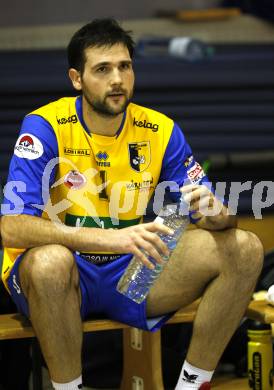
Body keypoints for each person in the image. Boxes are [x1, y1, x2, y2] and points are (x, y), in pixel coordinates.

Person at [0, 18, 263, 390]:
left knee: (246, 248)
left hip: (131, 277)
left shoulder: (161, 130)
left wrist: (218, 216)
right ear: (77, 78)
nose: (117, 79)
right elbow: (11, 226)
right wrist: (114, 240)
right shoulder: (44, 127)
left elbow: (211, 216)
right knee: (49, 262)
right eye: (102, 69)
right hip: (63, 281)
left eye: (125, 66)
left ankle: (192, 385)